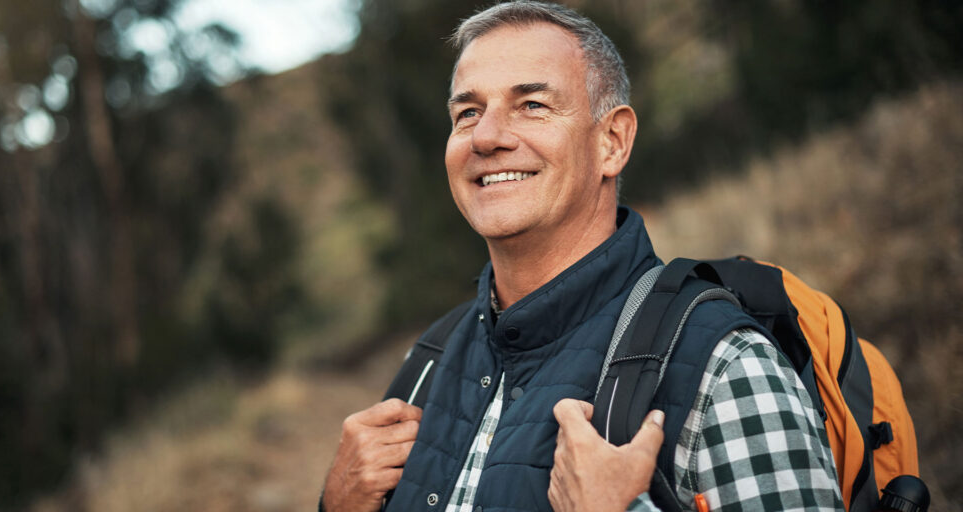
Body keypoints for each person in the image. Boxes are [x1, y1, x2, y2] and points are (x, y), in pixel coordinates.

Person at [322, 2, 843, 511]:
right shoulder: (430, 362)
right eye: (468, 112)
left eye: (532, 105)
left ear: (612, 142)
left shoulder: (725, 366)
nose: (486, 136)